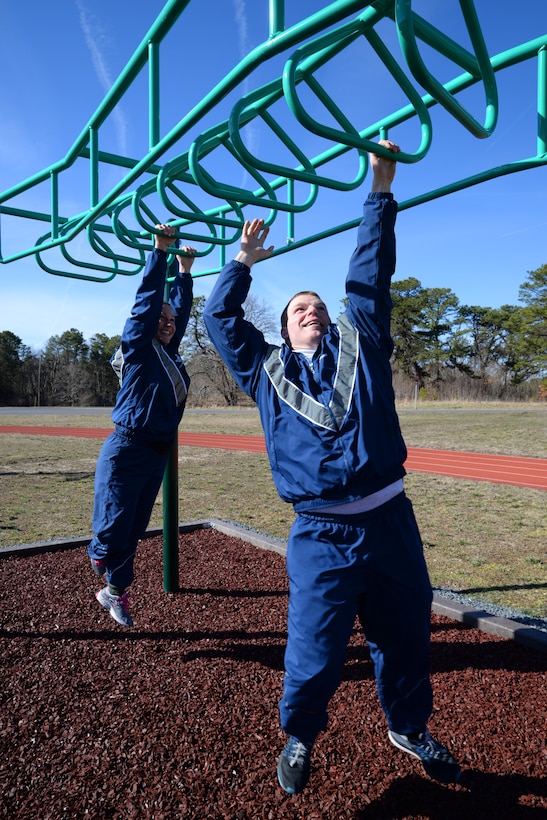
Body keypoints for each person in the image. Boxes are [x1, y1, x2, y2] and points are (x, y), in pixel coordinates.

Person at [203, 141, 461, 794]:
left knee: (404, 640)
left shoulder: (364, 348)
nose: (310, 309)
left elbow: (367, 278)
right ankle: (299, 735)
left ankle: (407, 726)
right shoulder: (264, 373)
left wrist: (378, 189)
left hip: (389, 521)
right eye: (297, 308)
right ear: (284, 330)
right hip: (320, 534)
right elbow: (217, 318)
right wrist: (242, 263)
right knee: (315, 654)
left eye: (316, 305)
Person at [88, 224, 195, 628]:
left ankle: (114, 592)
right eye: (161, 319)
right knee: (113, 526)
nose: (167, 323)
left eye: (170, 320)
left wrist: (184, 273)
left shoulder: (169, 352)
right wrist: (161, 253)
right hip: (127, 447)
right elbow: (146, 306)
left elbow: (177, 315)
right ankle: (98, 551)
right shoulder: (138, 350)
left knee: (133, 529)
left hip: (156, 453)